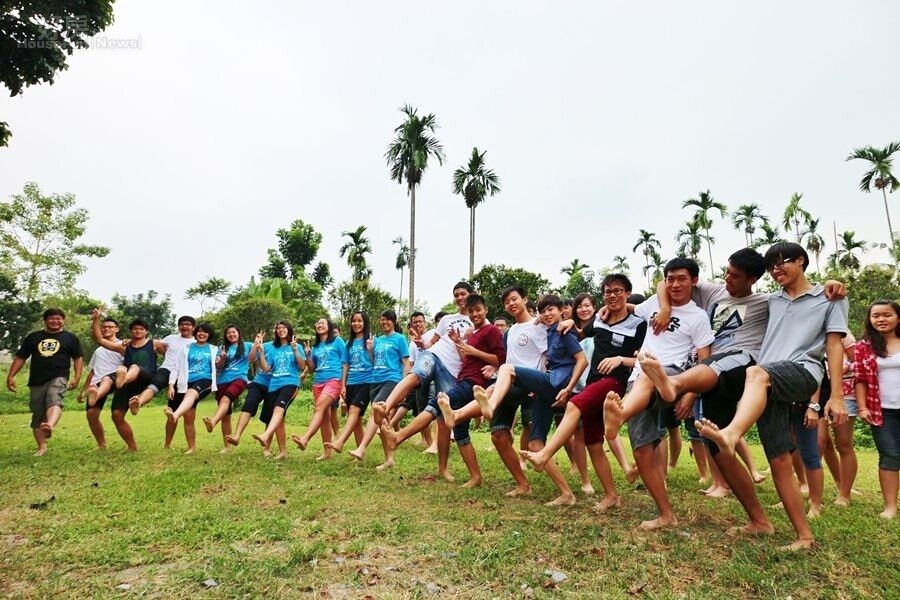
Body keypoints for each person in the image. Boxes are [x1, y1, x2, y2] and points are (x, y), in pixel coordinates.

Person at [697, 242, 849, 550]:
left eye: (784, 262)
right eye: (772, 266)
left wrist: (836, 395)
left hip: (802, 372)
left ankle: (732, 434)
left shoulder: (829, 298)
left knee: (755, 372)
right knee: (779, 459)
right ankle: (801, 536)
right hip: (768, 383)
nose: (777, 269)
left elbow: (834, 345)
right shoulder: (771, 301)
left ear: (802, 261)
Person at [602, 257, 715, 529]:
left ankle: (620, 416)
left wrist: (691, 395)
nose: (675, 284)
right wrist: (601, 311)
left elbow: (705, 360)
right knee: (642, 451)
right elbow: (630, 301)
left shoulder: (697, 316)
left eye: (682, 279)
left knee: (649, 369)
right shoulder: (653, 304)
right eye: (670, 279)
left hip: (674, 376)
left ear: (694, 281)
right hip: (640, 378)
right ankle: (666, 515)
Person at [521, 275, 646, 512]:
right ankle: (611, 496)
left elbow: (645, 358)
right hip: (594, 382)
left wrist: (621, 359)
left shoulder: (639, 324)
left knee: (574, 405)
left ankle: (544, 455)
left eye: (618, 291)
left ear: (628, 293)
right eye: (608, 291)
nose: (613, 296)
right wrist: (569, 324)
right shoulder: (600, 319)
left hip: (616, 383)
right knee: (593, 442)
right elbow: (581, 333)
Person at [474, 293, 587, 506]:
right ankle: (566, 494)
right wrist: (541, 319)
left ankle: (490, 404)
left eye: (551, 309)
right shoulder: (547, 329)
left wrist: (569, 389)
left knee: (508, 368)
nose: (546, 314)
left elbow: (582, 360)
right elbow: (542, 338)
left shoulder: (564, 331)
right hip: (547, 387)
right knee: (536, 445)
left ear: (562, 310)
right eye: (543, 310)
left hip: (557, 384)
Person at [383, 294, 505, 486]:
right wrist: (459, 343)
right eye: (471, 311)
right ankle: (476, 476)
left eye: (478, 310)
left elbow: (502, 359)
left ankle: (398, 437)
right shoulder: (473, 334)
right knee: (460, 430)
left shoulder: (491, 330)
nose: (474, 314)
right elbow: (468, 360)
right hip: (463, 379)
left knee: (436, 404)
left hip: (473, 383)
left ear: (486, 310)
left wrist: (477, 354)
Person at [359, 283, 474, 473]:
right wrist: (422, 342)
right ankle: (385, 408)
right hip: (433, 355)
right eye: (456, 295)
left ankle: (443, 469)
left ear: (471, 295)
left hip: (453, 371)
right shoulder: (447, 319)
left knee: (442, 418)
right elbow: (431, 343)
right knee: (415, 375)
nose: (460, 298)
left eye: (463, 294)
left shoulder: (477, 321)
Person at [6, 308, 83, 456]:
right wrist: (11, 376)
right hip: (37, 379)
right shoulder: (33, 337)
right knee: (38, 413)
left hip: (59, 376)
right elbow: (21, 357)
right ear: (45, 320)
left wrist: (77, 376)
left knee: (55, 399)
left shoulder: (70, 338)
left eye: (59, 319)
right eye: (52, 318)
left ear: (63, 320)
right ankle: (42, 447)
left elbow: (78, 358)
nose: (55, 321)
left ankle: (50, 425)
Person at [89, 309, 166, 451]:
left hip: (145, 378)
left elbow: (173, 351)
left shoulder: (154, 344)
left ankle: (121, 381)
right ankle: (132, 447)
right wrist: (95, 320)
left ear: (146, 331)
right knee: (116, 414)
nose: (137, 331)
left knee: (134, 367)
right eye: (135, 329)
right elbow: (100, 340)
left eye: (141, 329)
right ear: (131, 331)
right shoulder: (124, 347)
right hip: (126, 382)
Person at [854, 299, 900, 519]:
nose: (881, 319)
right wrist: (862, 408)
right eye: (876, 316)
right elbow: (860, 379)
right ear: (870, 320)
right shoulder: (864, 346)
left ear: (897, 317)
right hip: (883, 410)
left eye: (887, 314)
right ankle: (890, 506)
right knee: (889, 456)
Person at [127, 315, 197, 450]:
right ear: (178, 327)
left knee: (178, 411)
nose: (184, 326)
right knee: (154, 386)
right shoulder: (170, 338)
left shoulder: (195, 343)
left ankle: (190, 446)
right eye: (182, 324)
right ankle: (138, 403)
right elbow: (150, 344)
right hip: (167, 369)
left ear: (193, 327)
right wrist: (128, 341)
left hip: (184, 375)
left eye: (188, 324)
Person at [292, 318, 347, 460]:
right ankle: (327, 452)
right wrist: (309, 356)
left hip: (334, 380)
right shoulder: (316, 346)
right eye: (317, 323)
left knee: (319, 408)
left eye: (322, 323)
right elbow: (312, 368)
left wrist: (344, 384)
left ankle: (305, 439)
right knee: (324, 417)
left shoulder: (338, 341)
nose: (319, 325)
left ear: (329, 327)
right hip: (318, 383)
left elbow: (346, 361)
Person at [253, 321, 306, 458]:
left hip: (290, 383)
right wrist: (262, 354)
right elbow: (266, 369)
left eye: (284, 328)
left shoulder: (296, 346)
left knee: (278, 409)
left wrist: (294, 350)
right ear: (276, 332)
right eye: (278, 328)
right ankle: (283, 452)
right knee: (277, 419)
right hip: (274, 385)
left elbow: (302, 366)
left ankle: (265, 436)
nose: (281, 330)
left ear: (289, 330)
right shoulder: (274, 349)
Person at [164, 323, 218, 453]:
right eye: (199, 331)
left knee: (190, 395)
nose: (201, 334)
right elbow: (176, 367)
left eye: (205, 332)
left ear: (209, 334)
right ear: (195, 333)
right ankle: (167, 444)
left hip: (204, 380)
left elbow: (220, 366)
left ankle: (191, 446)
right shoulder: (186, 348)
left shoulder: (214, 349)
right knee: (188, 414)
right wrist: (171, 385)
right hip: (183, 382)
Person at [326, 311, 375, 453]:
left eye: (359, 321)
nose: (356, 324)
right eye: (354, 321)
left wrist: (370, 350)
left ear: (365, 323)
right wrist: (343, 386)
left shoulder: (371, 340)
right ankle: (360, 452)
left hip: (367, 381)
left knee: (354, 410)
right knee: (357, 420)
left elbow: (375, 362)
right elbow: (345, 365)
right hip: (351, 382)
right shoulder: (349, 344)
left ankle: (340, 442)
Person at [204, 324, 253, 452]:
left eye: (234, 332)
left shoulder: (248, 346)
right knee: (226, 415)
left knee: (226, 399)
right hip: (222, 381)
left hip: (239, 379)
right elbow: (219, 367)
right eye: (229, 333)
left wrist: (259, 343)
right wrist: (223, 358)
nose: (231, 335)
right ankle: (227, 446)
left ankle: (213, 422)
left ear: (239, 333)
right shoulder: (222, 348)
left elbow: (253, 358)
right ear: (226, 336)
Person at [225, 330, 275, 452]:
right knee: (247, 407)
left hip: (275, 385)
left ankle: (266, 449)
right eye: (275, 329)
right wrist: (256, 345)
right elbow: (251, 359)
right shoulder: (266, 345)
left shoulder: (290, 347)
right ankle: (236, 437)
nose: (278, 331)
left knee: (269, 415)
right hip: (259, 382)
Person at [78, 316, 124, 450]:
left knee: (117, 414)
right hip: (97, 383)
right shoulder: (98, 350)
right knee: (91, 414)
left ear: (117, 329)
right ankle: (102, 444)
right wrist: (83, 390)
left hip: (116, 379)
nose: (106, 329)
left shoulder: (122, 345)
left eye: (110, 326)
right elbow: (93, 371)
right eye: (104, 327)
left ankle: (131, 445)